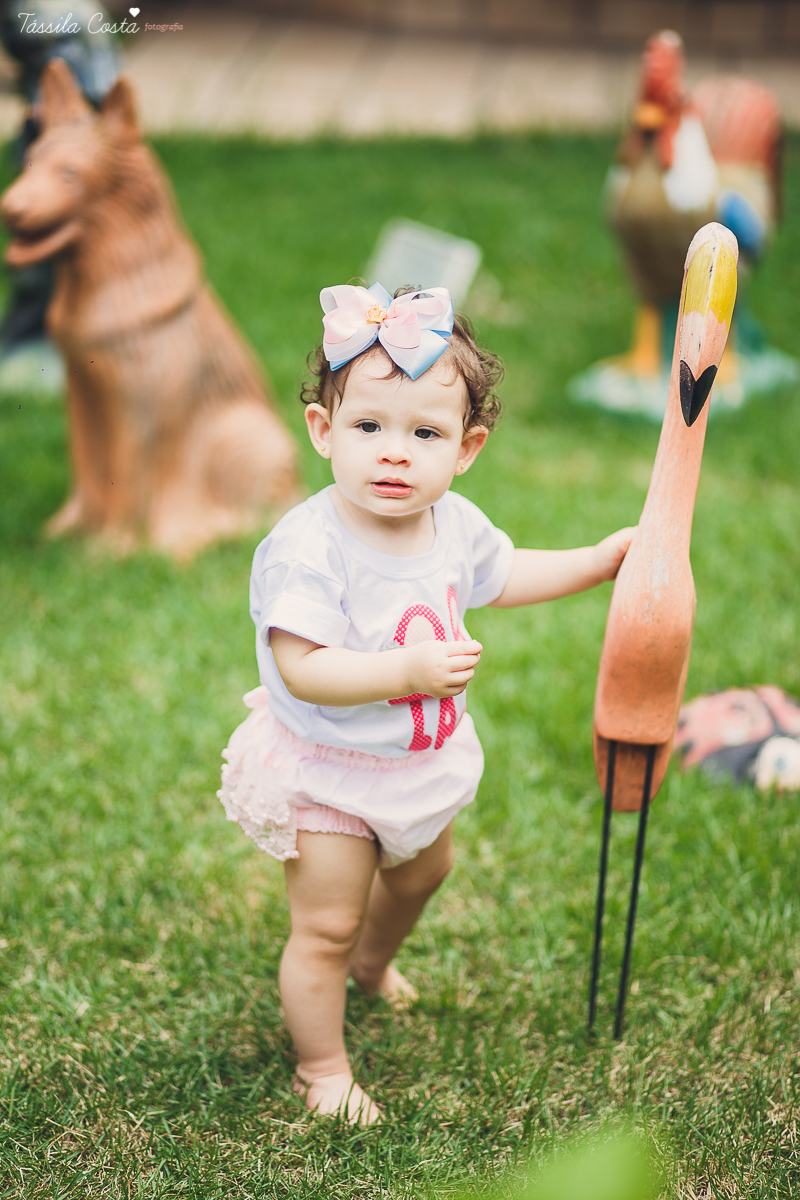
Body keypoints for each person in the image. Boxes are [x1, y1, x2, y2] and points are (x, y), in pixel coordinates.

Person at [219, 283, 634, 1125]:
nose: (395, 453)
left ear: (467, 448)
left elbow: (504, 573)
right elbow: (302, 666)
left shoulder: (450, 522)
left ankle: (373, 967)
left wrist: (595, 561)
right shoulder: (310, 546)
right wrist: (403, 670)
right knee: (325, 925)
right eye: (369, 428)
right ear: (323, 432)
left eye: (425, 433)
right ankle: (322, 1068)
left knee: (425, 873)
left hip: (416, 761)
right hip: (331, 771)